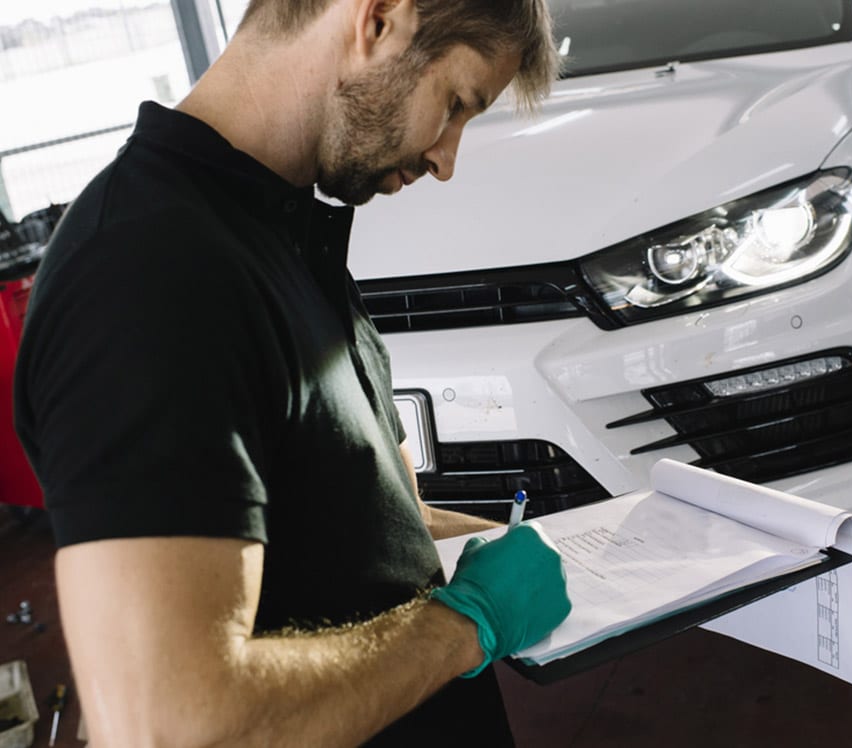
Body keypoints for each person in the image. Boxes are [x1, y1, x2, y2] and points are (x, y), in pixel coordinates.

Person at [12, 0, 571, 744]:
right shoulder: (146, 273)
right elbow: (175, 727)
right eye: (456, 104)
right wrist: (468, 626)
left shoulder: (280, 236)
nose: (446, 159)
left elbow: (379, 527)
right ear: (379, 21)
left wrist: (591, 550)